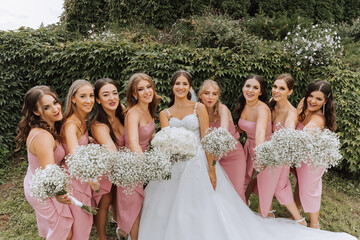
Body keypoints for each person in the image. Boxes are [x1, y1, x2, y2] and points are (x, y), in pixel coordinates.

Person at [138, 70, 356, 240]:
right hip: (179, 161)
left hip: (207, 158)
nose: (181, 87)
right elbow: (165, 138)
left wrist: (212, 168)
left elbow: (211, 137)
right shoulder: (165, 113)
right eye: (177, 83)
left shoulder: (200, 109)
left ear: (190, 87)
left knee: (264, 187)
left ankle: (299, 219)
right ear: (172, 87)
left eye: (185, 83)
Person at [16, 86, 73, 240]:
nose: (55, 109)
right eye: (47, 107)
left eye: (55, 102)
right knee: (64, 233)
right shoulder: (43, 136)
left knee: (58, 231)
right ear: (36, 112)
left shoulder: (49, 126)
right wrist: (61, 192)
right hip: (42, 190)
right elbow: (49, 171)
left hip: (42, 182)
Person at [115, 73, 160, 240]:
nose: (147, 91)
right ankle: (127, 234)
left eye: (149, 87)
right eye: (141, 89)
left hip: (143, 159)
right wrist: (144, 166)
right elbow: (133, 142)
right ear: (134, 94)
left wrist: (167, 142)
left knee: (140, 205)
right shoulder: (133, 113)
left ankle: (124, 233)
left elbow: (150, 135)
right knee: (133, 207)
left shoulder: (148, 109)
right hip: (132, 164)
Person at [294, 80, 336, 229]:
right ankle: (296, 215)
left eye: (319, 99)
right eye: (311, 96)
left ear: (326, 101)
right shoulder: (303, 104)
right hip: (300, 154)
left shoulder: (319, 118)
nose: (312, 101)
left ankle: (314, 224)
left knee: (308, 190)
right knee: (299, 184)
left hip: (312, 159)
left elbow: (308, 130)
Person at [61, 79, 99, 240]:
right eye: (83, 96)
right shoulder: (70, 125)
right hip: (74, 180)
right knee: (81, 225)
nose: (89, 100)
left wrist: (89, 139)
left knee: (84, 222)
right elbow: (75, 158)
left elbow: (77, 143)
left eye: (91, 95)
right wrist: (91, 180)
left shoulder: (82, 119)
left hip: (81, 178)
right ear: (73, 99)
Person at [198, 79, 247, 202]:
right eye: (206, 93)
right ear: (200, 95)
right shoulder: (198, 112)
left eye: (214, 94)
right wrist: (212, 163)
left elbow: (223, 132)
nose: (210, 97)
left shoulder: (222, 109)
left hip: (233, 156)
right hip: (213, 158)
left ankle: (241, 219)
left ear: (218, 96)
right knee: (218, 190)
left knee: (237, 190)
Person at [91, 78, 126, 240]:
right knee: (105, 201)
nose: (112, 98)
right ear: (98, 99)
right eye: (106, 95)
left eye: (114, 93)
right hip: (107, 166)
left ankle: (120, 221)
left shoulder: (122, 111)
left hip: (123, 165)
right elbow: (112, 151)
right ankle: (102, 236)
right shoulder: (98, 125)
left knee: (121, 196)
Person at [269, 74, 306, 225]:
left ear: (290, 91)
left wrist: (288, 132)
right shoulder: (272, 102)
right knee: (267, 182)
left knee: (279, 186)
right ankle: (267, 209)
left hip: (283, 153)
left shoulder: (291, 113)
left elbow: (290, 126)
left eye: (282, 88)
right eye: (275, 86)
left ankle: (299, 220)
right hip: (270, 152)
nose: (276, 91)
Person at [235, 74, 274, 217]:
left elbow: (260, 132)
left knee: (264, 181)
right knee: (243, 177)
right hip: (249, 145)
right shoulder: (244, 104)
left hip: (263, 145)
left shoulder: (262, 109)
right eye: (248, 86)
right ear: (243, 87)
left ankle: (266, 211)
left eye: (255, 87)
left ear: (261, 92)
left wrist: (260, 155)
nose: (250, 90)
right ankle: (242, 203)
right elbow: (245, 125)